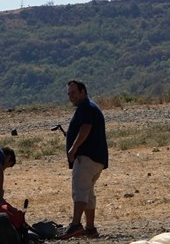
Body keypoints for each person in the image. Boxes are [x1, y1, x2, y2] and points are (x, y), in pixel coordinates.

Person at [64, 79, 108, 239]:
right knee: (88, 193)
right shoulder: (90, 107)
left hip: (86, 158)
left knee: (80, 191)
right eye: (69, 94)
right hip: (97, 158)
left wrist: (74, 148)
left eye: (74, 93)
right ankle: (90, 228)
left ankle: (76, 225)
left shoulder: (86, 107)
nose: (71, 96)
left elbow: (85, 128)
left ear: (83, 92)